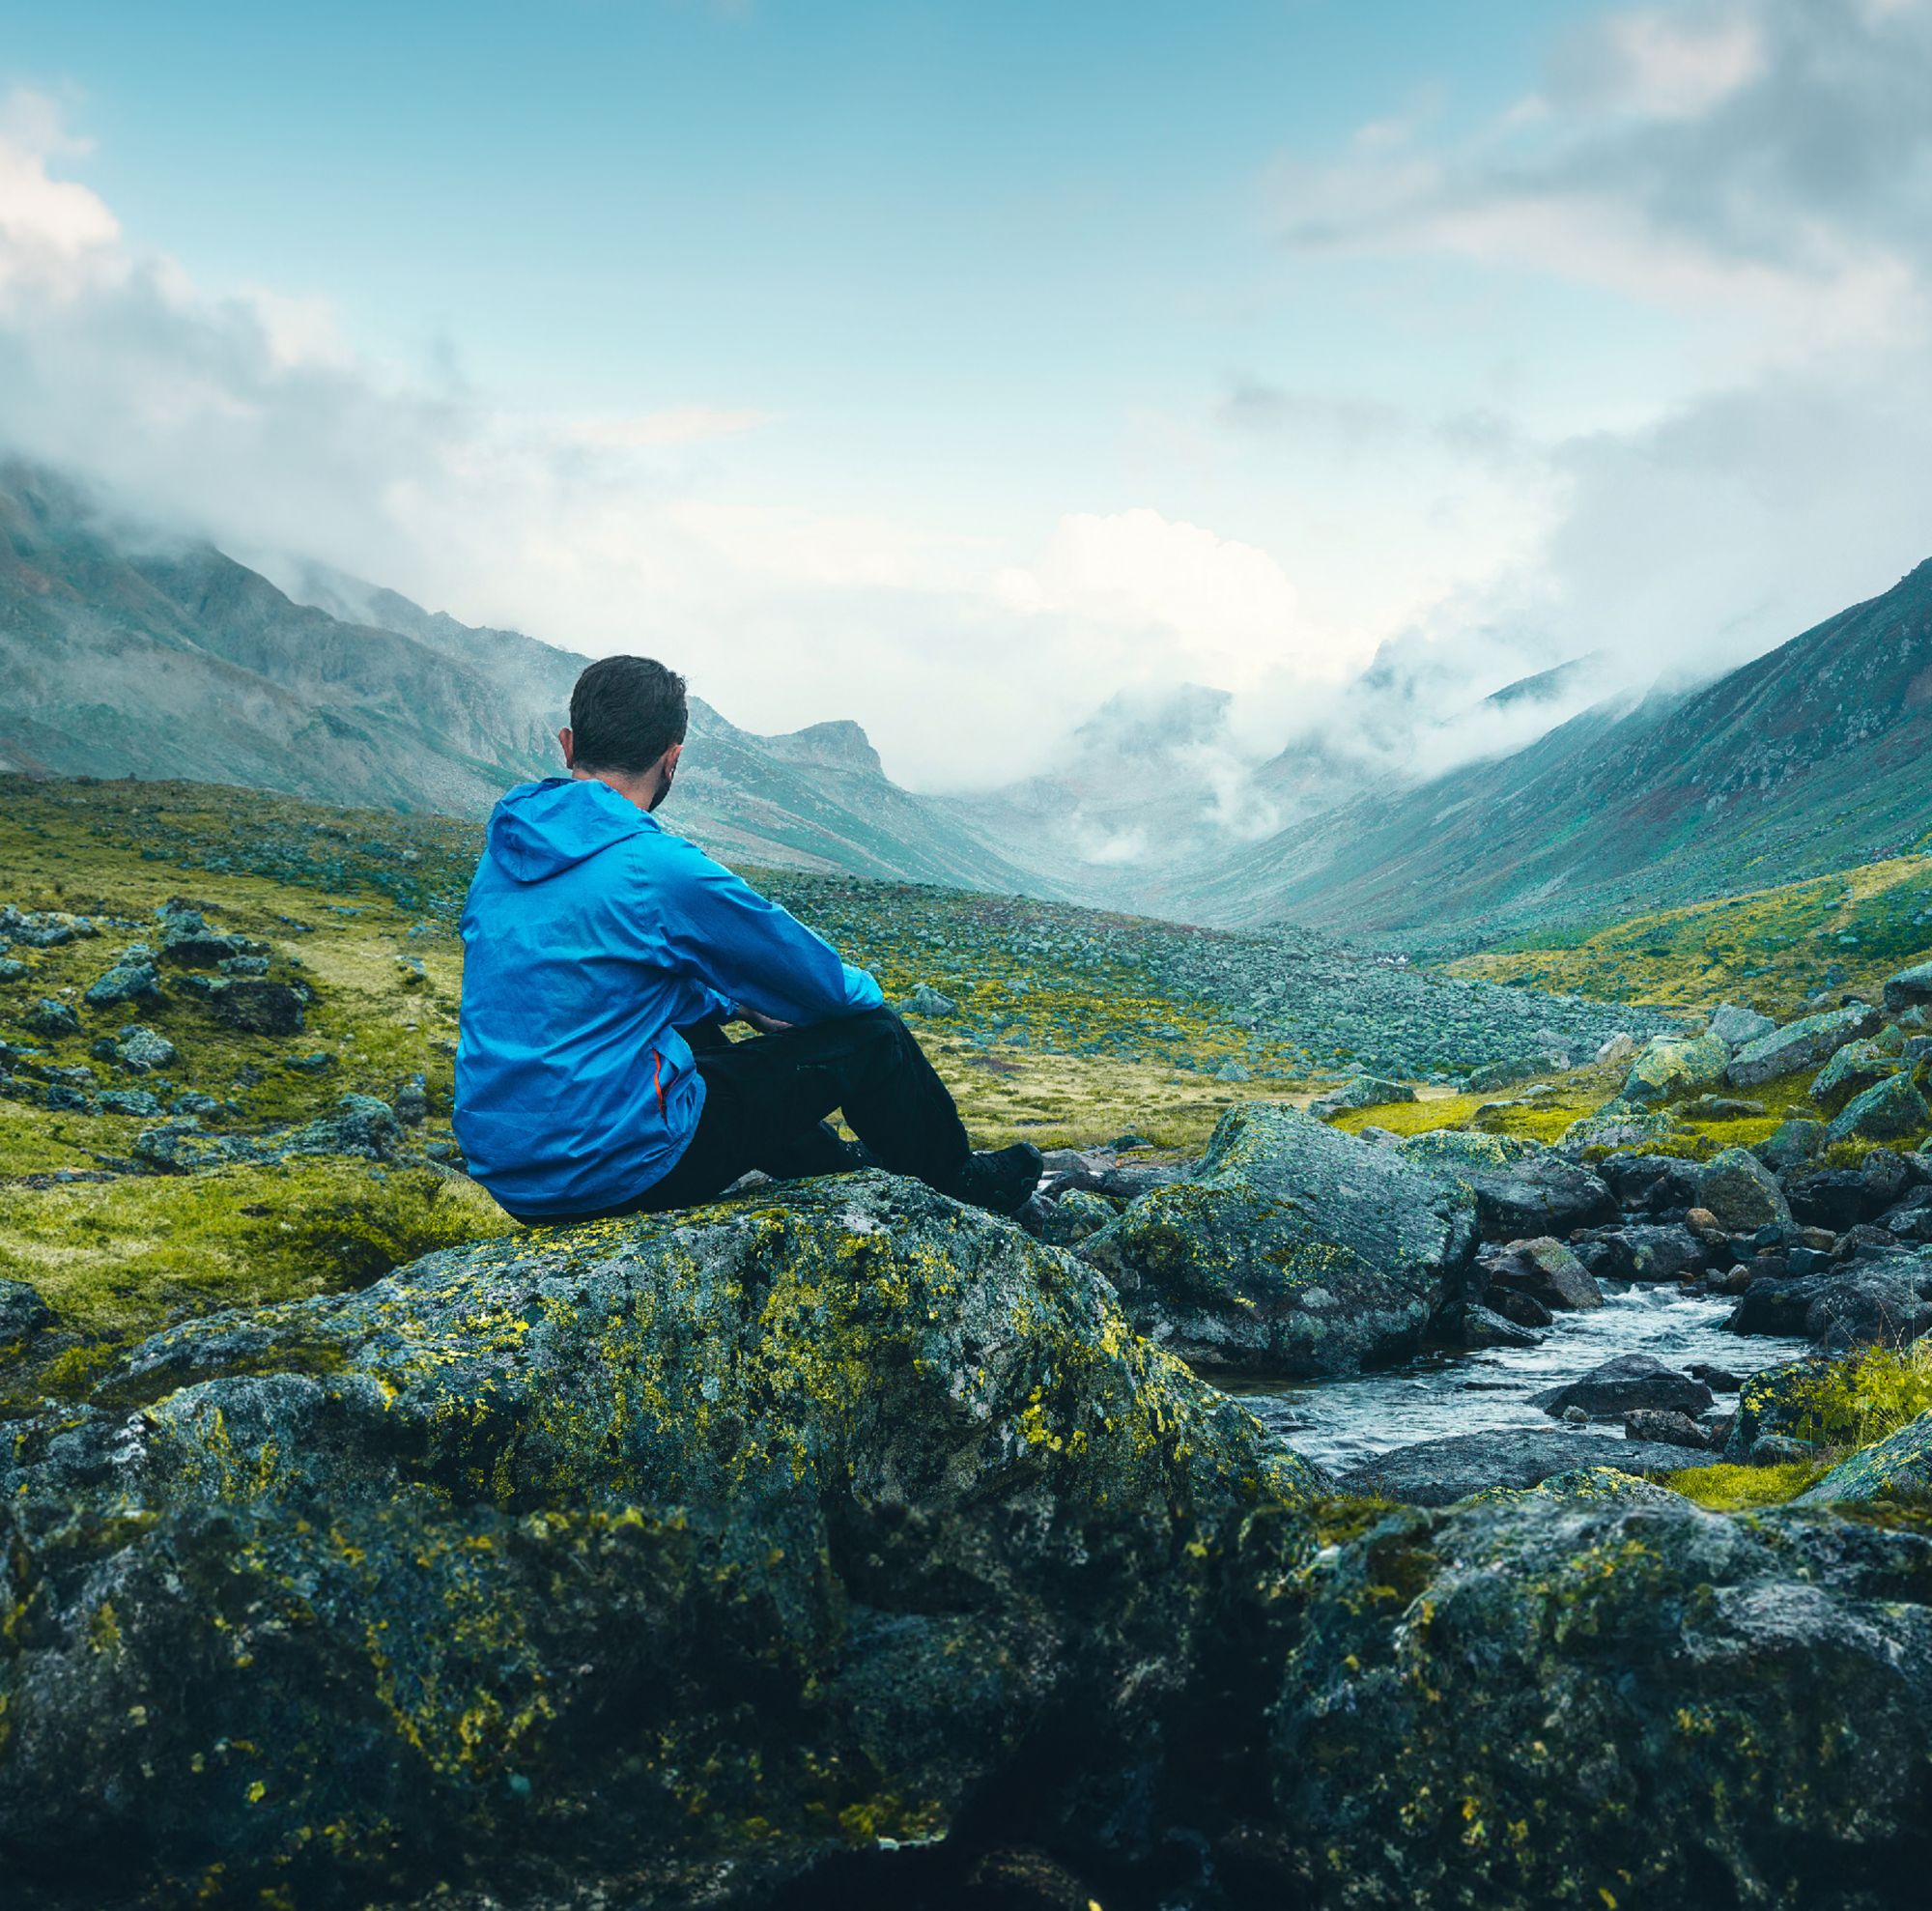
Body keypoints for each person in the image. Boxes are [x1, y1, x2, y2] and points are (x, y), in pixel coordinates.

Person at [454, 654, 1043, 1226]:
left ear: (568, 744)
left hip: (513, 1172)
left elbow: (600, 982)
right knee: (872, 1036)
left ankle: (832, 1168)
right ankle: (957, 1180)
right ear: (671, 759)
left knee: (686, 1026)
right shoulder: (654, 868)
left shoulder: (505, 854)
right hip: (610, 1172)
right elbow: (825, 988)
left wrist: (732, 1003)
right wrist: (810, 1005)